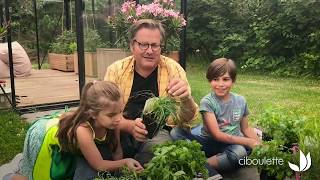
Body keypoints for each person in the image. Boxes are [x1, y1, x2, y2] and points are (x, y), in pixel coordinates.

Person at [104, 19, 198, 165]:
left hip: (156, 133)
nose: (149, 50)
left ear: (161, 47)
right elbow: (104, 114)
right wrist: (129, 126)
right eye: (143, 44)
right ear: (132, 45)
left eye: (154, 45)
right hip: (118, 129)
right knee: (96, 155)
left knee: (158, 155)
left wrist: (187, 99)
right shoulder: (116, 70)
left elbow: (185, 119)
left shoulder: (174, 69)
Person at [4, 81, 143, 180]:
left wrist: (121, 173)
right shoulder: (83, 130)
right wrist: (125, 162)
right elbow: (99, 164)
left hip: (74, 145)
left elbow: (116, 151)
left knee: (69, 171)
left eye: (120, 111)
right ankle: (11, 177)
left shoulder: (113, 122)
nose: (119, 119)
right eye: (112, 115)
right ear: (93, 114)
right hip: (46, 136)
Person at [172, 58, 261, 172]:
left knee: (239, 153)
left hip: (232, 143)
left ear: (233, 81)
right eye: (215, 79)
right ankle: (202, 163)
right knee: (176, 132)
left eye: (225, 79)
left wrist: (261, 145)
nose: (220, 84)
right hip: (209, 141)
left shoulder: (240, 101)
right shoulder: (207, 102)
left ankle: (200, 164)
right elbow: (217, 135)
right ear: (210, 80)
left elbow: (246, 128)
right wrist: (249, 142)